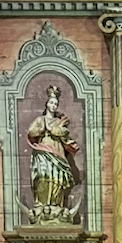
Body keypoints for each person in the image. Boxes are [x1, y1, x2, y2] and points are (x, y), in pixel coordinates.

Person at [28, 85, 80, 213]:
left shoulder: (60, 121)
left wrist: (54, 129)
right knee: (43, 176)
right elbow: (31, 132)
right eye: (51, 102)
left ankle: (56, 206)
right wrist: (43, 129)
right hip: (43, 151)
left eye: (56, 103)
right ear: (46, 104)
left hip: (57, 151)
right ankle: (41, 204)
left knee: (57, 178)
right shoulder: (40, 120)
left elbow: (63, 133)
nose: (53, 105)